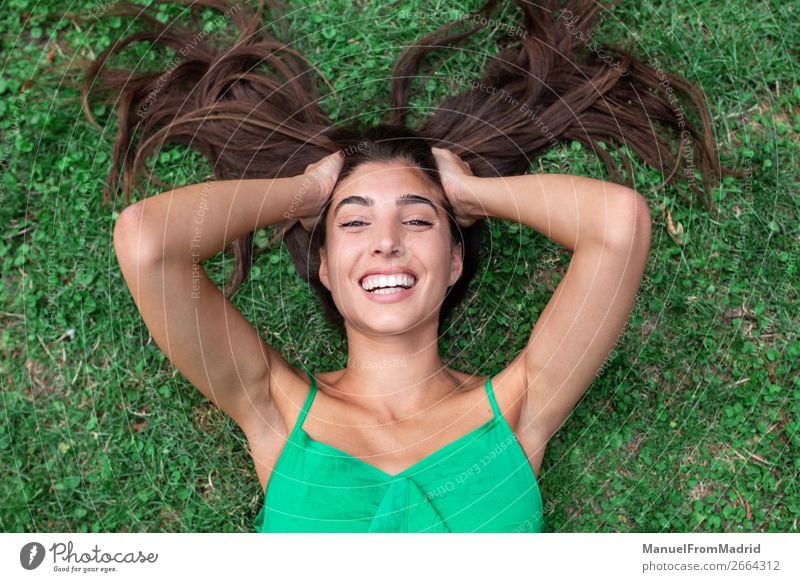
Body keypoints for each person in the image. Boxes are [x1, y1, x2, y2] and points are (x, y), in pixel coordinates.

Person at [84, 0, 734, 532]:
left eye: (418, 219)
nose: (387, 240)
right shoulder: (275, 411)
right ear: (325, 268)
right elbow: (147, 241)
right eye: (356, 222)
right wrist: (306, 194)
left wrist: (473, 194)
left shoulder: (518, 409)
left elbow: (619, 226)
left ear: (453, 261)